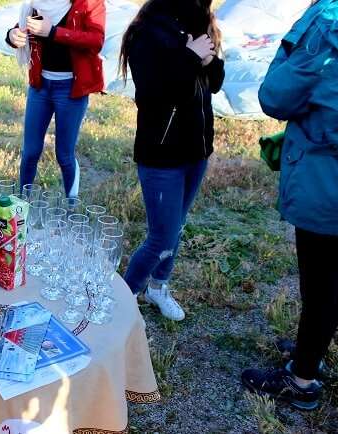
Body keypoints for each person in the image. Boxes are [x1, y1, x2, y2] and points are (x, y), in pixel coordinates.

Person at [242, 0, 338, 411]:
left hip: (331, 177)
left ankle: (301, 380)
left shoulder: (330, 22)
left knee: (323, 281)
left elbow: (276, 96)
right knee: (335, 275)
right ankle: (310, 349)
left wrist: (288, 49)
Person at [119, 0, 224, 321]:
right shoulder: (145, 33)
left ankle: (158, 287)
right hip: (161, 153)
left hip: (196, 151)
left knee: (175, 229)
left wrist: (209, 61)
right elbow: (152, 96)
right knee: (161, 237)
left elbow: (215, 84)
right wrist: (190, 57)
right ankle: (125, 295)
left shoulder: (198, 24)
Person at [6, 0, 106, 198]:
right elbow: (22, 28)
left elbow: (96, 40)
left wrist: (52, 31)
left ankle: (71, 209)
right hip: (40, 85)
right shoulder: (38, 3)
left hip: (71, 88)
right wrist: (11, 35)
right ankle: (22, 204)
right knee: (30, 152)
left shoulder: (90, 3)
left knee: (64, 155)